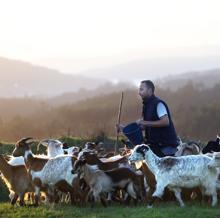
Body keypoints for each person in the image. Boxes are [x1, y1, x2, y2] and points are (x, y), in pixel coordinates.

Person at [118, 80, 178, 157]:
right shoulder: (146, 106)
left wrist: (144, 122)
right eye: (139, 89)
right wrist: (124, 129)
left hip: (165, 147)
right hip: (154, 146)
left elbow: (165, 122)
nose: (139, 92)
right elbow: (143, 127)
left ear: (150, 90)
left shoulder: (158, 104)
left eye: (141, 89)